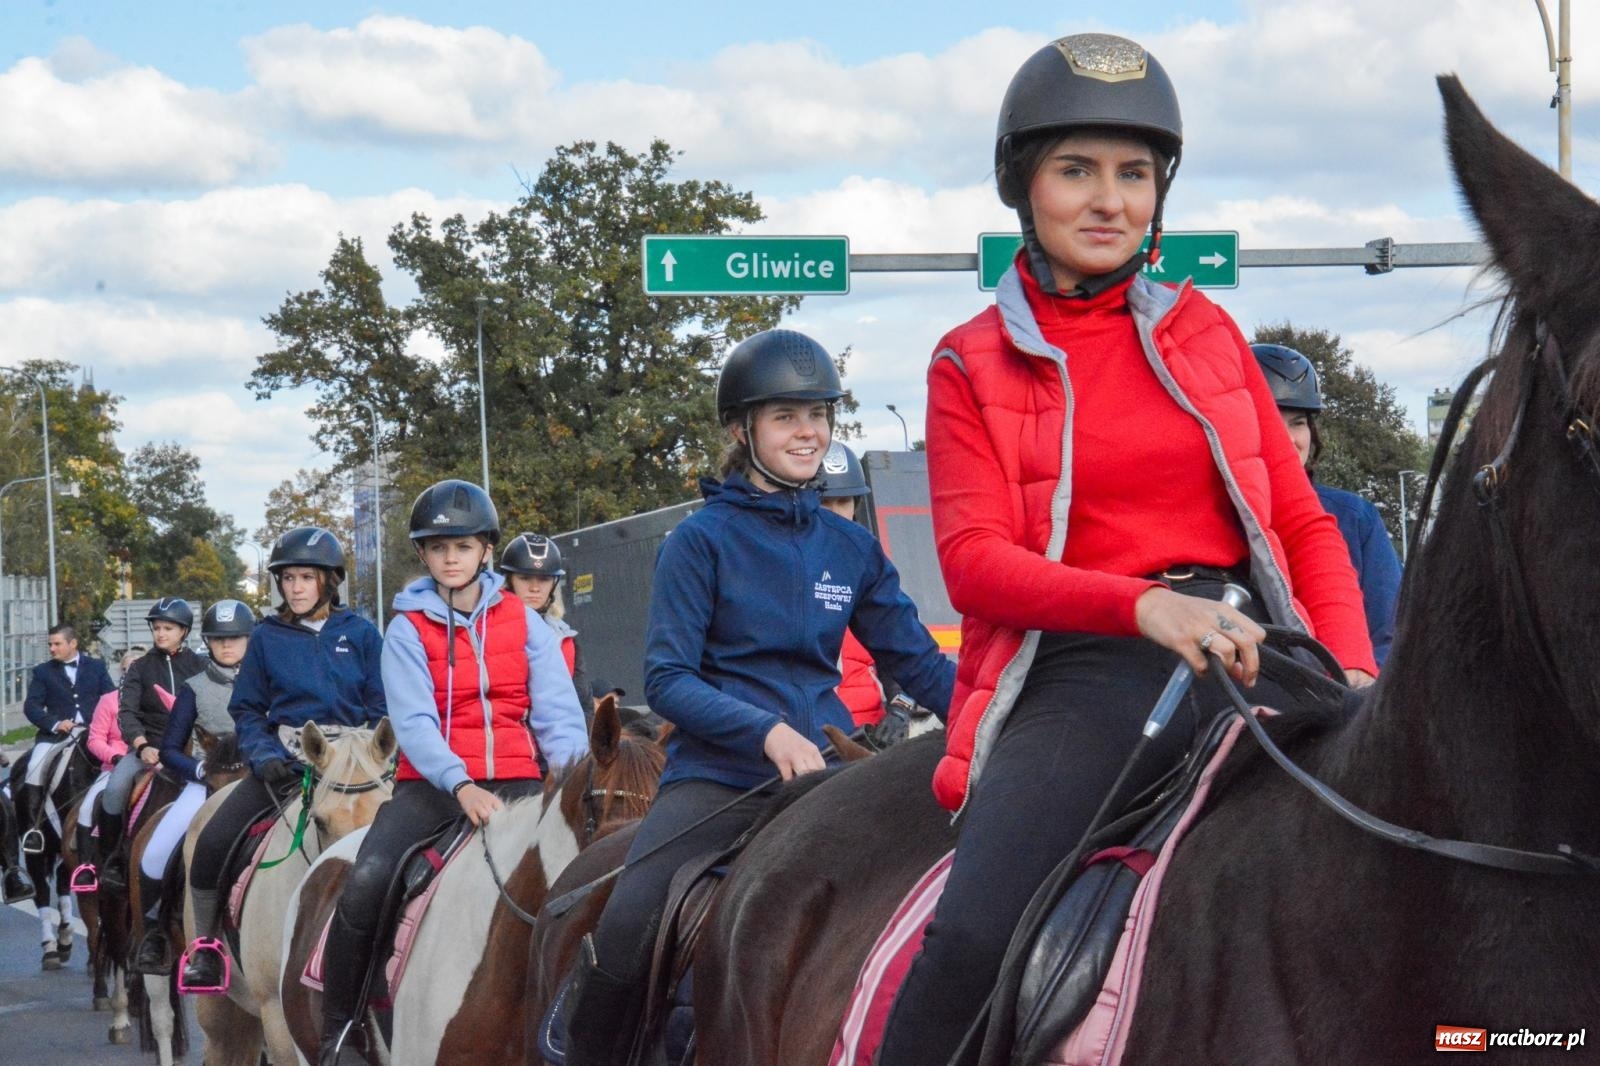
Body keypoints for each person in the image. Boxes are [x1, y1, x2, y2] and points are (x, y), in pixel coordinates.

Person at [872, 34, 1379, 1066]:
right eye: (1077, 170)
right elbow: (971, 559)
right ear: (1025, 186)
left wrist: (1356, 673)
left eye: (1134, 174)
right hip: (1088, 668)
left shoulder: (1209, 333)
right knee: (970, 942)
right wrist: (1141, 604)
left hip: (1260, 654)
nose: (1109, 200)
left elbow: (1302, 525)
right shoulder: (969, 360)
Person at [562, 328, 957, 1066]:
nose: (809, 432)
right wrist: (765, 732)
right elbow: (669, 680)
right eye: (786, 417)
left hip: (829, 777)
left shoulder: (852, 548)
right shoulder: (698, 542)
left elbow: (918, 664)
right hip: (718, 778)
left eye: (819, 415)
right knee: (629, 916)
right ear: (743, 431)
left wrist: (997, 713)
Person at [317, 480, 588, 1063]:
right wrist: (459, 783)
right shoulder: (406, 628)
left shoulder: (525, 622)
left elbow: (559, 712)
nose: (450, 558)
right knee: (367, 880)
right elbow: (413, 722)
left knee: (591, 875)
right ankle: (341, 1029)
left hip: (519, 782)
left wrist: (572, 779)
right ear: (422, 553)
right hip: (434, 786)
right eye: (438, 548)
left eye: (462, 547)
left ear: (486, 549)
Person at [179, 527, 386, 992]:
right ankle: (207, 949)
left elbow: (381, 707)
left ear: (329, 581)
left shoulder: (362, 634)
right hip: (287, 763)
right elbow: (247, 709)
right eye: (288, 578)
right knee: (213, 840)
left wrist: (370, 757)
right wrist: (264, 753)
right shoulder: (266, 637)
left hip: (356, 769)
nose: (295, 588)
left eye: (305, 578)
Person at [1252, 342, 1403, 665]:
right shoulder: (1215, 520)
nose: (1290, 439)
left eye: (1298, 422)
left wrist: (1355, 686)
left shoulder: (1356, 518)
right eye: (1270, 423)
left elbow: (1391, 635)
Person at [131, 599, 254, 974]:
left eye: (234, 638)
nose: (227, 645)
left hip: (259, 783)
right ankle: (155, 933)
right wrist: (200, 769)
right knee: (155, 854)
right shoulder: (194, 688)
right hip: (205, 784)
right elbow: (170, 749)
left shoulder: (269, 681)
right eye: (218, 639)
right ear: (208, 642)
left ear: (248, 640)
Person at [99, 600, 205, 890]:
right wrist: (142, 745)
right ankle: (111, 861)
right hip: (150, 748)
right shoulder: (140, 668)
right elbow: (127, 713)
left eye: (168, 628)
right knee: (115, 787)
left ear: (184, 631)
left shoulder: (201, 666)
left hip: (192, 751)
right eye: (157, 628)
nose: (160, 633)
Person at [500, 532, 592, 727]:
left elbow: (582, 705)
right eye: (525, 578)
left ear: (554, 583)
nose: (535, 588)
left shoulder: (567, 640)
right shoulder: (486, 630)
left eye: (543, 579)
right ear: (509, 580)